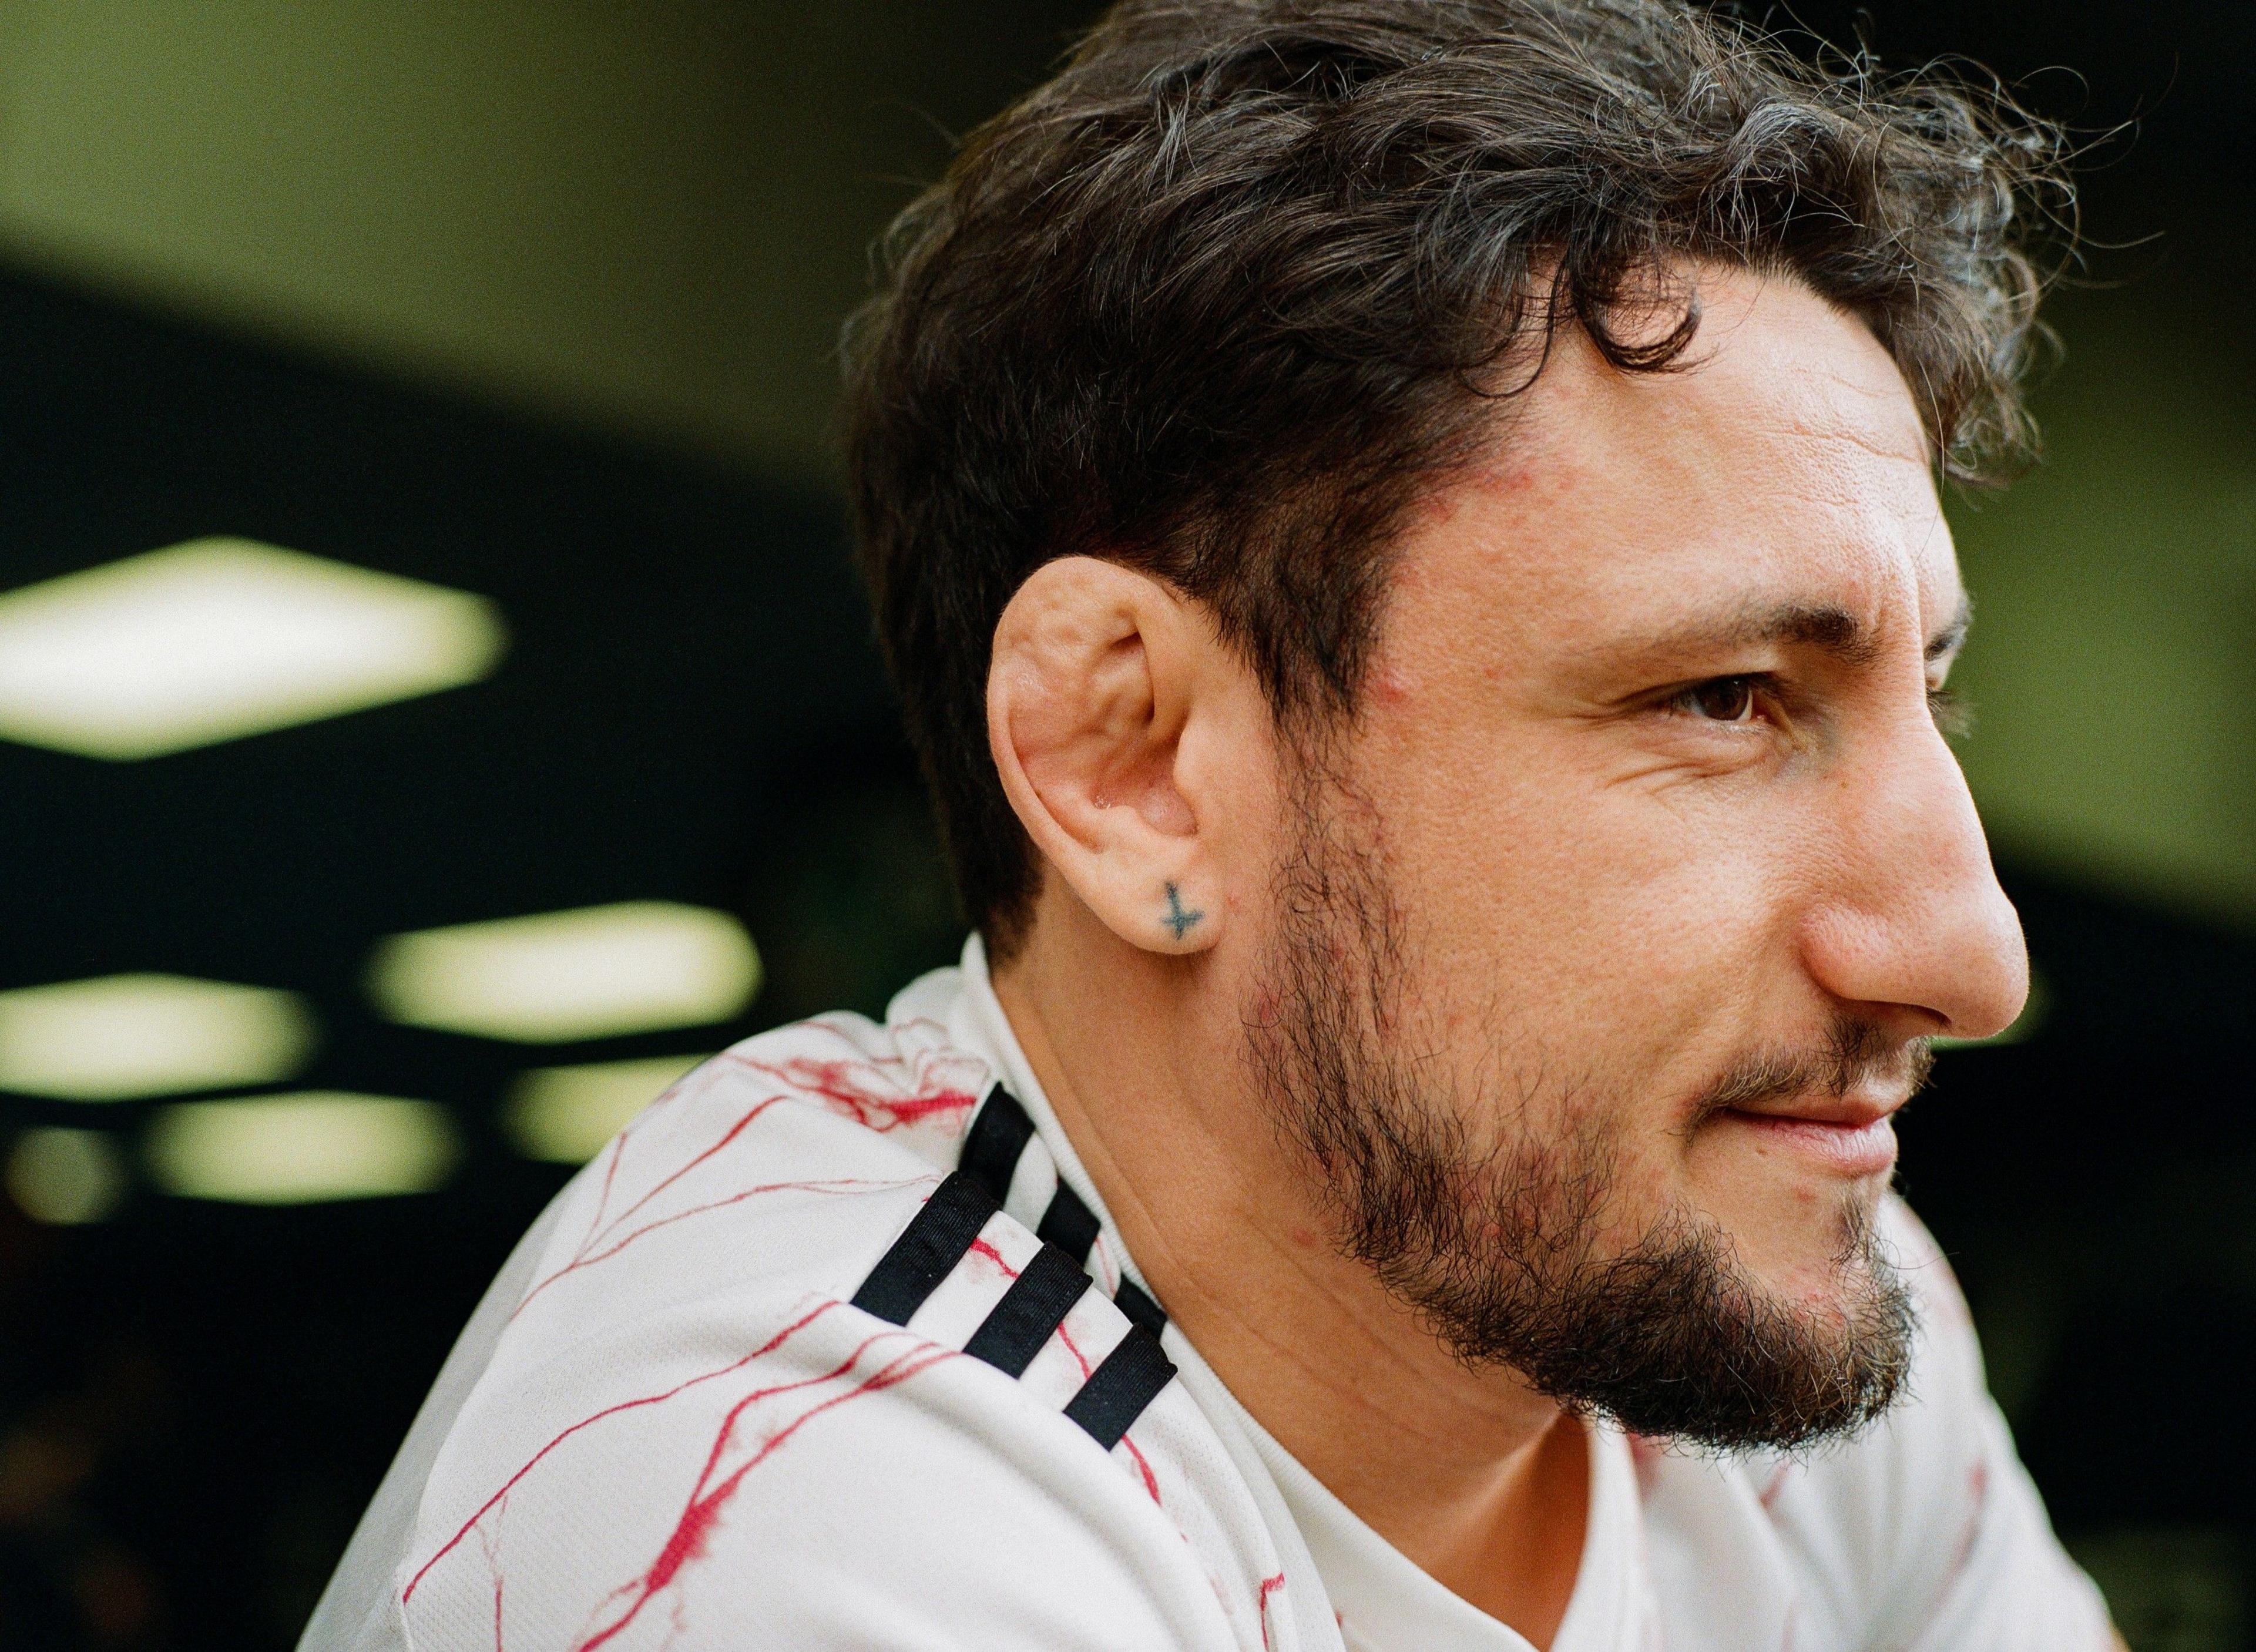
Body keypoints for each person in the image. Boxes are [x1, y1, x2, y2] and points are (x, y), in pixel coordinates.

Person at [304, 2, 2126, 1646]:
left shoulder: (1737, 1298)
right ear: (1138, 760)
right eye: (1727, 697)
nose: (1971, 952)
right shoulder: (796, 1497)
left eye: (1927, 698)